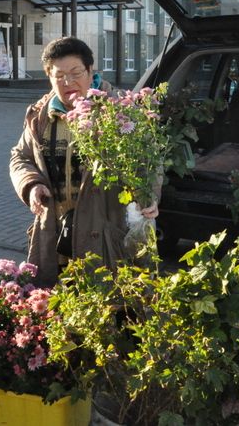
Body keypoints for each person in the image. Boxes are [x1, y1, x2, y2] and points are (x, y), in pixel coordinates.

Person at [10, 36, 157, 286]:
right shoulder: (41, 116)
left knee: (108, 307)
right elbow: (20, 156)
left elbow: (148, 160)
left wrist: (150, 195)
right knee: (58, 307)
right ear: (49, 77)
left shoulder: (119, 111)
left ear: (90, 71)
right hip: (55, 233)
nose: (68, 82)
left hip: (105, 234)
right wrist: (31, 185)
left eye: (76, 72)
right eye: (59, 75)